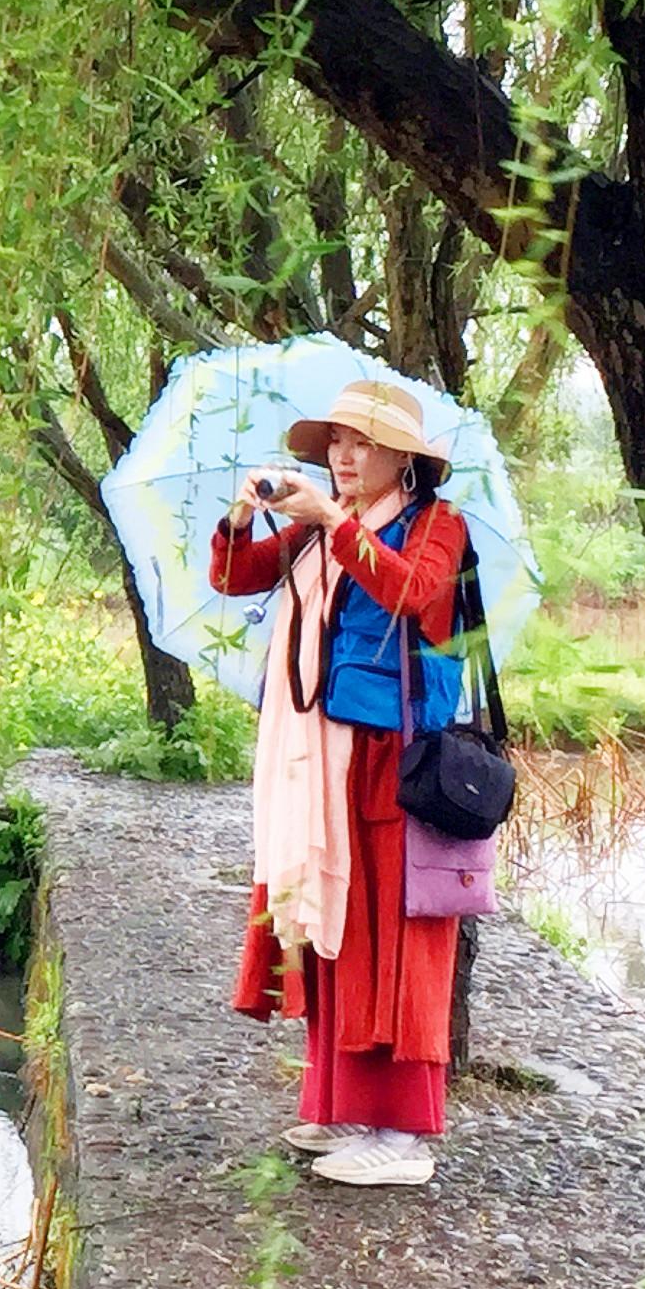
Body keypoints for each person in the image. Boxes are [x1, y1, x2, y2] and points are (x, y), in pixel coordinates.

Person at [209, 379, 471, 1188]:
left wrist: (333, 520)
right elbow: (233, 577)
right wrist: (246, 515)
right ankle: (343, 1107)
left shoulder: (437, 526)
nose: (345, 457)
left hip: (395, 765)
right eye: (336, 442)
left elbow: (413, 594)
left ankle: (405, 1136)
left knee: (398, 942)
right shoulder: (316, 530)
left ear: (406, 460)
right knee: (339, 931)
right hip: (325, 761)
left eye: (363, 443)